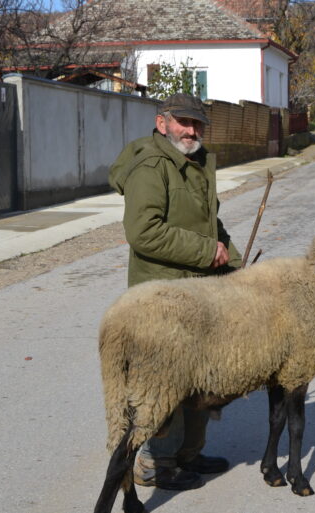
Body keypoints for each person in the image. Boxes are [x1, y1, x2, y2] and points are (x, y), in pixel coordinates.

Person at [108, 93, 242, 490]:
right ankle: (156, 462)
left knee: (198, 377)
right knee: (164, 382)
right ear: (162, 122)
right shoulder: (151, 166)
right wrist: (206, 252)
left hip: (197, 291)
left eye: (198, 123)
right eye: (184, 122)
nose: (192, 130)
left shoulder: (196, 162)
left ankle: (188, 454)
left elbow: (209, 224)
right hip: (162, 294)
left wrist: (232, 262)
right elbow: (143, 232)